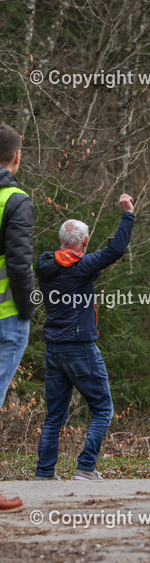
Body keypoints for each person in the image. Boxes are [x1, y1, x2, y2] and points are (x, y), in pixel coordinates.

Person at [34, 194, 136, 481]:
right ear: (85, 243)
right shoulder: (82, 266)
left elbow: (77, 276)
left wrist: (98, 266)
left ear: (61, 241)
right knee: (103, 409)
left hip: (53, 349)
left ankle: (44, 473)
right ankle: (86, 468)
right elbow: (116, 249)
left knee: (55, 415)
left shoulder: (47, 267)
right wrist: (128, 214)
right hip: (80, 347)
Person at [0, 125, 33, 509]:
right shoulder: (15, 199)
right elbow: (19, 264)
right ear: (17, 157)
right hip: (6, 316)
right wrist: (29, 307)